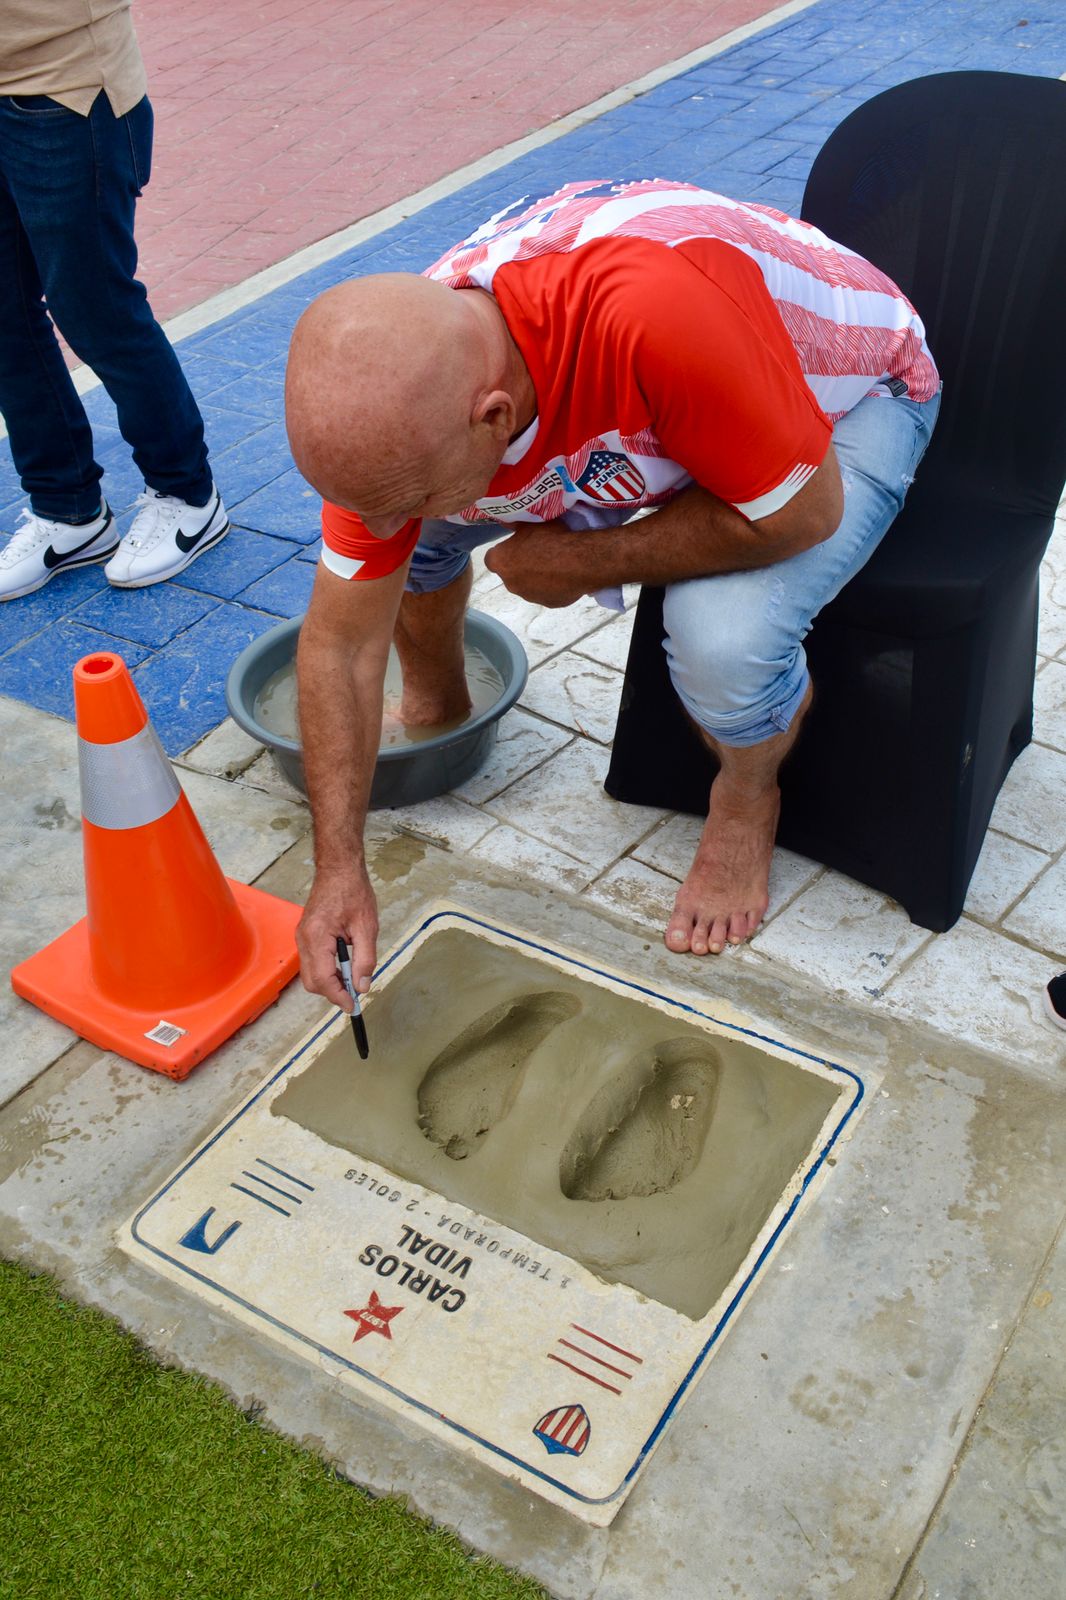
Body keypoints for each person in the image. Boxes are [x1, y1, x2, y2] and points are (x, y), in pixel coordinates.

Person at [284, 179, 941, 1013]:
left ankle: (746, 794)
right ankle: (442, 697)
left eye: (407, 495)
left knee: (721, 640)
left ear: (493, 417)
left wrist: (585, 561)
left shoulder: (650, 317)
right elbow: (339, 643)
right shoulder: (399, 403)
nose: (388, 519)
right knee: (425, 539)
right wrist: (339, 867)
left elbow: (807, 514)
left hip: (850, 398)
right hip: (676, 404)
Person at [0, 0, 228, 603]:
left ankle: (187, 496)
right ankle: (68, 511)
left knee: (95, 309)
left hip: (62, 91)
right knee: (5, 320)